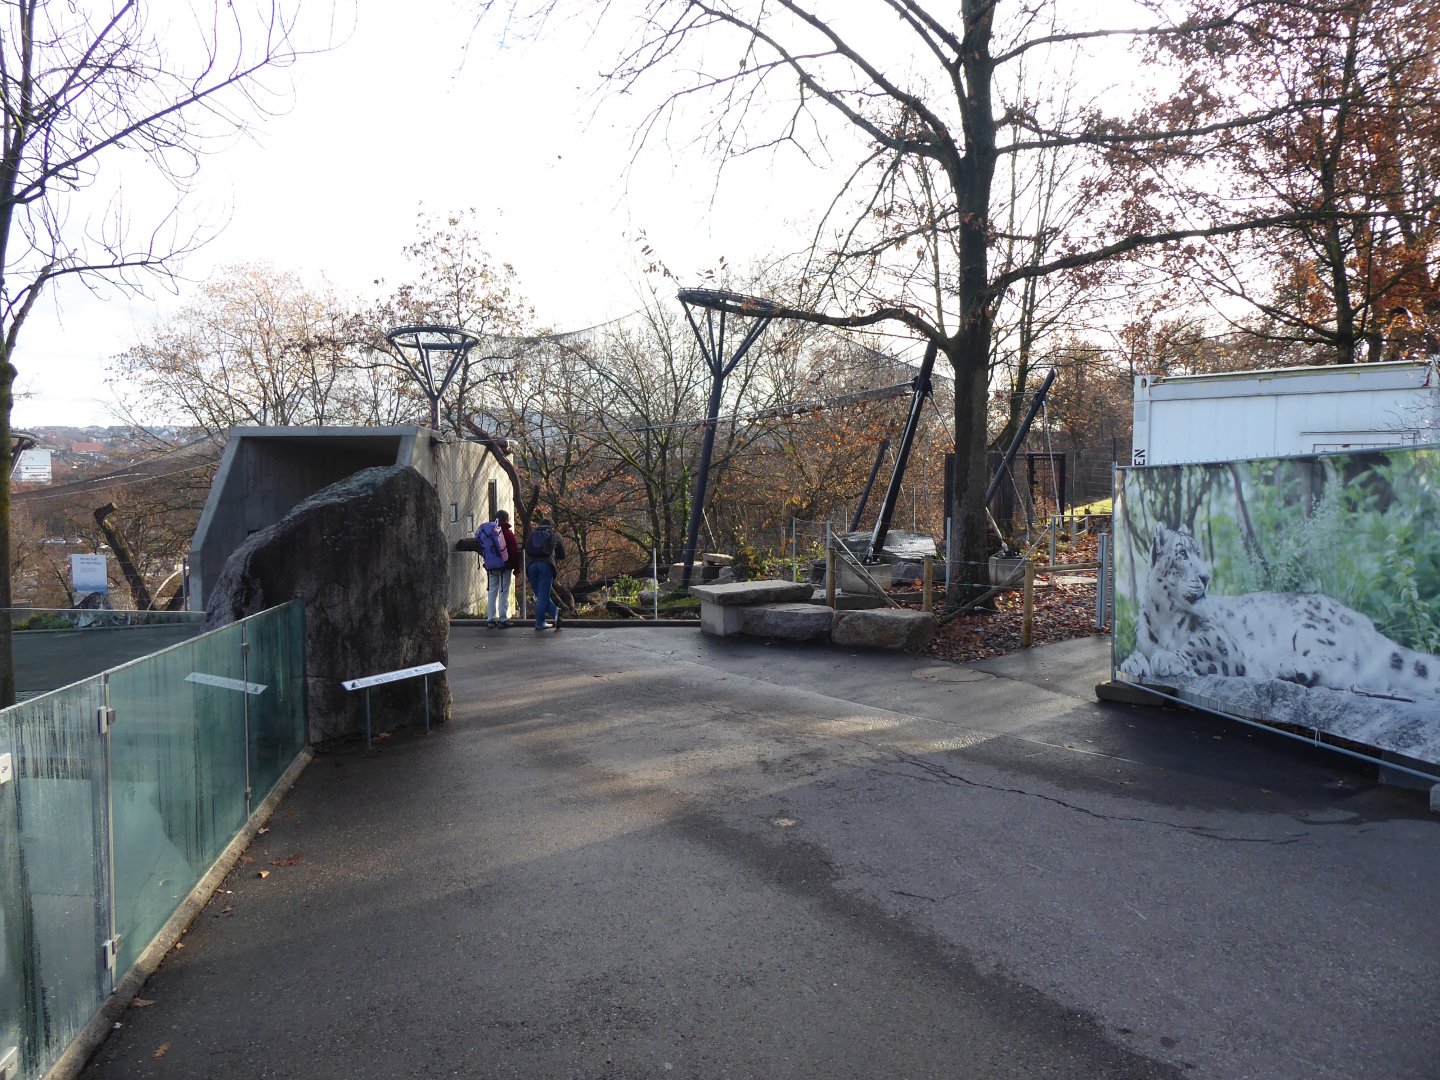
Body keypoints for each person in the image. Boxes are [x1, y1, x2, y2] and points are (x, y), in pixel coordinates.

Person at [477, 510, 519, 628]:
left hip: (491, 566)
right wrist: (516, 568)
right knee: (503, 592)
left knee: (492, 592)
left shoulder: (489, 532)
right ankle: (502, 619)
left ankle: (491, 619)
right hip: (505, 567)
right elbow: (514, 552)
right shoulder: (508, 533)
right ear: (506, 519)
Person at [524, 515, 567, 631]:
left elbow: (526, 549)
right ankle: (540, 622)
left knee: (540, 595)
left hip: (531, 566)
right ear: (552, 526)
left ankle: (553, 613)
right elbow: (562, 554)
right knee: (543, 595)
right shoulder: (555, 535)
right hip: (546, 565)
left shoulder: (532, 534)